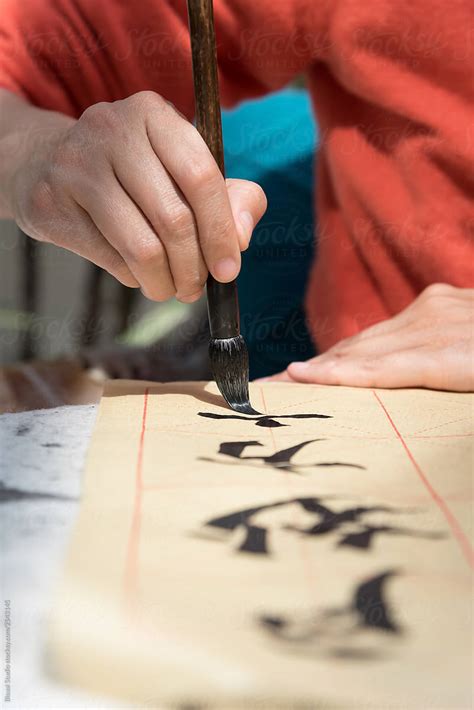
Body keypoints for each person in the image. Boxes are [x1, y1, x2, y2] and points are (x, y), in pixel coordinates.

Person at [0, 0, 472, 391]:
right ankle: (224, 345)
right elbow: (16, 69)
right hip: (348, 287)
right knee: (237, 147)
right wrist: (36, 153)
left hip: (406, 371)